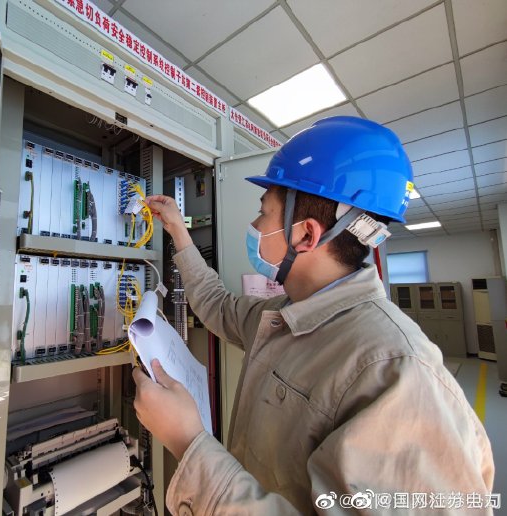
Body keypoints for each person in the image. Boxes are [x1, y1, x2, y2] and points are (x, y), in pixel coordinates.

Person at [132, 117, 494, 515]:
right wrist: (179, 233)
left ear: (306, 234)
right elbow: (217, 306)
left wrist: (188, 441)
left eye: (263, 212)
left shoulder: (398, 370)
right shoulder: (283, 314)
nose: (254, 225)